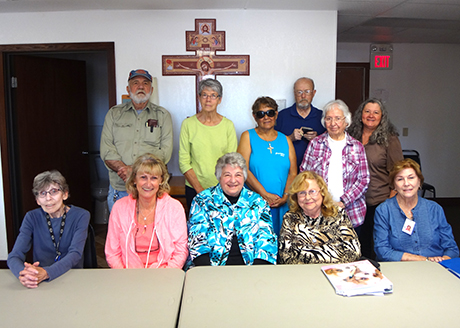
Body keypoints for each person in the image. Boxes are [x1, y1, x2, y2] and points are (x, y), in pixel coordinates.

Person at [100, 69, 173, 211]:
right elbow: (107, 149)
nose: (140, 87)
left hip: (150, 190)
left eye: (145, 83)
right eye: (136, 83)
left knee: (150, 231)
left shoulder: (163, 115)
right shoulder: (114, 114)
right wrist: (123, 169)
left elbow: (165, 152)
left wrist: (134, 171)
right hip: (120, 189)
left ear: (151, 89)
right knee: (121, 232)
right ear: (128, 89)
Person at [188, 152, 278, 266]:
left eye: (238, 175)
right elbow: (197, 240)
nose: (233, 180)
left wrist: (257, 273)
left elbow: (267, 239)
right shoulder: (202, 201)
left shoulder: (258, 202)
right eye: (227, 175)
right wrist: (208, 273)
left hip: (251, 269)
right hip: (211, 269)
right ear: (219, 176)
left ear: (244, 177)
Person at [7, 170, 90, 288]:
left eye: (54, 191)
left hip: (71, 276)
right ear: (37, 200)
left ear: (65, 194)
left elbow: (75, 254)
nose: (48, 198)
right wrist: (25, 275)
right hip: (39, 281)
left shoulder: (81, 215)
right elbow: (14, 255)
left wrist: (46, 273)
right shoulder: (32, 217)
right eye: (42, 193)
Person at [105, 153, 188, 269]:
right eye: (143, 177)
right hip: (127, 276)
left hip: (164, 275)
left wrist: (167, 274)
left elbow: (181, 250)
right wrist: (123, 275)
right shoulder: (119, 208)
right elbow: (112, 252)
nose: (148, 184)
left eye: (154, 178)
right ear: (134, 179)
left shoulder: (174, 207)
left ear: (161, 180)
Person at [300, 99, 369, 234]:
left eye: (338, 118)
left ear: (346, 121)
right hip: (319, 212)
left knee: (349, 253)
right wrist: (321, 201)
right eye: (329, 118)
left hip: (351, 213)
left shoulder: (357, 147)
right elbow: (304, 175)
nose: (333, 123)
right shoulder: (315, 144)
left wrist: (343, 202)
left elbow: (364, 180)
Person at [348, 98, 403, 259]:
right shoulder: (351, 136)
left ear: (382, 117)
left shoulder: (390, 139)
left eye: (376, 112)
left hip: (378, 201)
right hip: (353, 201)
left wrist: (389, 204)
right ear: (360, 115)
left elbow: (397, 173)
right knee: (356, 243)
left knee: (376, 245)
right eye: (367, 111)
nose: (371, 115)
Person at [374, 159, 459, 262]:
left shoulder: (435, 209)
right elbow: (382, 251)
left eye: (411, 178)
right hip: (399, 269)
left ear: (419, 181)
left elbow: (452, 249)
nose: (406, 183)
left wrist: (442, 261)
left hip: (437, 268)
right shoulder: (384, 210)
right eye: (400, 179)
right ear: (394, 185)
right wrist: (425, 260)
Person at [237, 96, 297, 236]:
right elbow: (242, 169)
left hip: (282, 202)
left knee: (282, 243)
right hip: (255, 202)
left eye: (270, 113)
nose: (266, 117)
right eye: (260, 114)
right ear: (254, 117)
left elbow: (293, 173)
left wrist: (285, 196)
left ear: (276, 114)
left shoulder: (286, 140)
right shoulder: (247, 136)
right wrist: (264, 195)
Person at [179, 79, 237, 211]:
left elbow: (231, 161)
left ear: (219, 99)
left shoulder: (228, 126)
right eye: (204, 95)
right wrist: (200, 191)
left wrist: (220, 189)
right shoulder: (188, 125)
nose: (208, 99)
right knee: (197, 228)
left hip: (223, 189)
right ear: (199, 97)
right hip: (194, 188)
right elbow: (183, 162)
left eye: (213, 95)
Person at [279, 171, 361, 264]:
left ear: (322, 192)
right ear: (296, 196)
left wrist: (306, 253)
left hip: (336, 272)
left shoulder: (337, 213)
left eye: (312, 191)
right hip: (303, 274)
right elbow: (285, 256)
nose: (307, 197)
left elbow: (354, 251)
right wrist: (331, 252)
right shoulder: (290, 218)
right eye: (302, 193)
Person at [275, 77, 326, 168]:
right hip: (287, 172)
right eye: (299, 92)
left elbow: (331, 146)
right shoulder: (281, 116)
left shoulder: (323, 117)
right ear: (294, 94)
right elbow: (271, 146)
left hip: (315, 173)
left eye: (307, 92)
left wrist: (317, 139)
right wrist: (290, 138)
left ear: (313, 93)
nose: (303, 96)